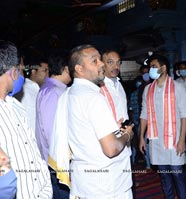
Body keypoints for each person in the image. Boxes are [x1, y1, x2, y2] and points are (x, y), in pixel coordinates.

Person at [48, 44, 134, 198]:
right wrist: (127, 135)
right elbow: (111, 149)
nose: (101, 64)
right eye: (95, 61)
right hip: (108, 185)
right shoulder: (93, 97)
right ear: (79, 69)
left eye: (100, 60)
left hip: (85, 181)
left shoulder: (68, 94)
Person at [0, 40, 52, 198]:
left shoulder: (15, 106)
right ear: (13, 72)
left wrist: (45, 190)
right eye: (22, 71)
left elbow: (33, 153)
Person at [139, 54, 186, 199]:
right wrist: (142, 138)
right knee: (165, 177)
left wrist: (182, 140)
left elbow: (184, 115)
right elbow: (144, 114)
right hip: (156, 141)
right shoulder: (148, 89)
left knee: (177, 175)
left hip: (174, 140)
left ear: (163, 68)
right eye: (150, 67)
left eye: (154, 66)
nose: (151, 70)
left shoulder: (177, 87)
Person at [36, 53, 71, 199]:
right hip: (57, 163)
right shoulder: (53, 92)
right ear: (66, 68)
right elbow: (51, 131)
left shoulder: (54, 89)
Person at [15, 55, 49, 133]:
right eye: (45, 71)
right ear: (33, 71)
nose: (48, 75)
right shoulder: (25, 91)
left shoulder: (39, 91)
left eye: (48, 71)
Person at [101, 49, 129, 122]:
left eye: (118, 62)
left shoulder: (119, 84)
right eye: (110, 62)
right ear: (102, 64)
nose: (116, 67)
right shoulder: (98, 87)